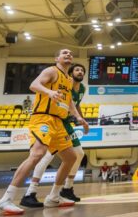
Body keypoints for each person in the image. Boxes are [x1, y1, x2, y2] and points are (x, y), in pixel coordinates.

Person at [0, 49, 89, 215]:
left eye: (70, 53)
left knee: (71, 157)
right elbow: (34, 85)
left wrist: (79, 117)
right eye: (64, 53)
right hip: (43, 118)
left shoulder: (68, 79)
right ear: (57, 58)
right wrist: (49, 92)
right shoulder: (51, 71)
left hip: (58, 122)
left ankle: (54, 196)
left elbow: (70, 101)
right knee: (37, 154)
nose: (68, 54)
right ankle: (5, 200)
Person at [22, 63, 88, 207]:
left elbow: (75, 105)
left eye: (82, 70)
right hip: (53, 119)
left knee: (78, 154)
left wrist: (81, 120)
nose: (80, 72)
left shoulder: (82, 89)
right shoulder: (65, 83)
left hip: (65, 123)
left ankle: (67, 188)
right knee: (46, 155)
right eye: (77, 70)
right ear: (71, 73)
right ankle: (31, 192)